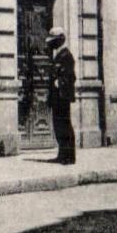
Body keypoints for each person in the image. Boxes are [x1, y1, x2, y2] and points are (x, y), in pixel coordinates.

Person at [46, 29, 76, 164]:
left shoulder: (66, 55)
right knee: (58, 125)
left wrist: (61, 82)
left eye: (54, 40)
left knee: (64, 125)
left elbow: (71, 76)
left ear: (60, 40)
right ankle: (62, 154)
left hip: (63, 96)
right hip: (57, 96)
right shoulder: (58, 55)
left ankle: (69, 156)